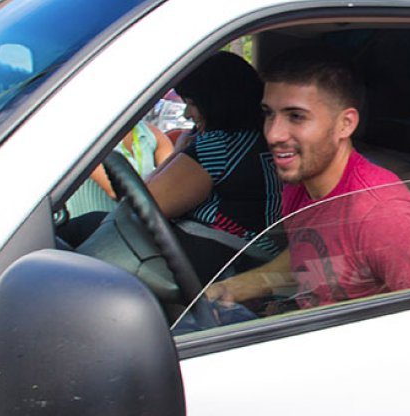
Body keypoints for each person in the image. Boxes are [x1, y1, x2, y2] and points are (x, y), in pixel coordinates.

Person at [206, 52, 410, 315]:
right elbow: (312, 251)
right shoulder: (300, 183)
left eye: (296, 117)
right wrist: (241, 286)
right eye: (269, 113)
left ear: (345, 124)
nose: (273, 133)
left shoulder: (383, 215)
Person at [103, 51, 284, 283]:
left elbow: (142, 208)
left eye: (191, 103)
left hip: (232, 256)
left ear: (216, 102)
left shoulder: (222, 144)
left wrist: (178, 153)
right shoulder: (253, 139)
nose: (187, 114)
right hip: (245, 251)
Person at [60, 118, 174, 246]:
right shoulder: (87, 137)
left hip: (131, 230)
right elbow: (115, 190)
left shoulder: (151, 134)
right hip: (90, 236)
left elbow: (171, 181)